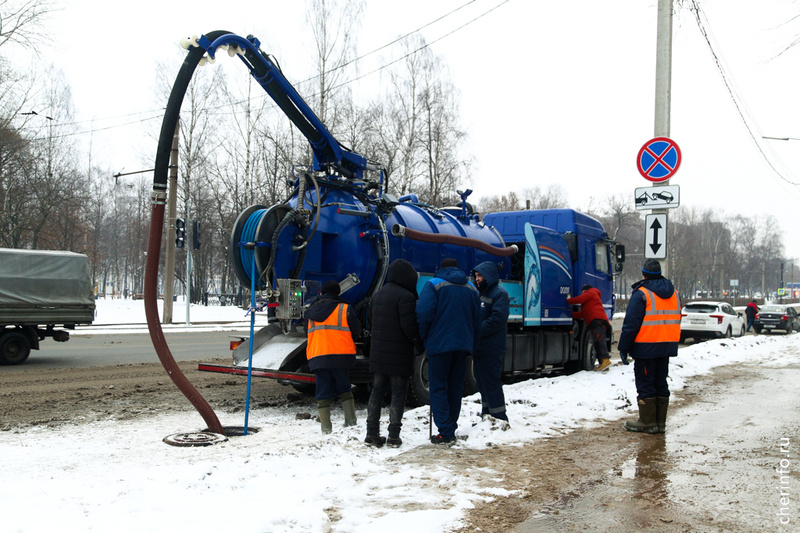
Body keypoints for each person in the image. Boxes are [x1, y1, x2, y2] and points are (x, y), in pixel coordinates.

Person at [416, 258, 482, 444]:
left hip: (439, 345)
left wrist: (426, 338)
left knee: (437, 387)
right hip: (462, 346)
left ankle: (445, 431)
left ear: (441, 269)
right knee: (455, 387)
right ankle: (450, 426)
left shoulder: (433, 285)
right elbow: (478, 320)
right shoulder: (472, 288)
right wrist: (472, 343)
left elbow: (423, 313)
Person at [364, 259, 425, 448]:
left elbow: (371, 321)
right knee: (398, 394)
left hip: (379, 355)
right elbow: (409, 326)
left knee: (377, 393)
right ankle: (393, 436)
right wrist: (419, 343)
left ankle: (371, 434)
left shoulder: (378, 295)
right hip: (399, 355)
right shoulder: (406, 297)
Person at [617, 259, 681, 434]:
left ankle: (647, 421)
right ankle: (660, 423)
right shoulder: (674, 293)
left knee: (646, 383)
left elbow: (631, 324)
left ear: (644, 274)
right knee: (661, 382)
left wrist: (624, 348)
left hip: (646, 347)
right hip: (666, 345)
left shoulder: (642, 294)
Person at [305, 280, 361, 434]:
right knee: (344, 387)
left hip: (318, 355)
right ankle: (351, 421)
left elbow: (307, 333)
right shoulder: (344, 308)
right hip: (341, 355)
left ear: (322, 293)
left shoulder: (310, 312)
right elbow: (356, 330)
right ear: (338, 293)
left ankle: (326, 428)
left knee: (322, 390)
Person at [472, 261, 510, 422]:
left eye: (480, 275)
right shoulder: (479, 294)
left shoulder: (499, 294)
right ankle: (487, 416)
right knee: (481, 383)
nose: (477, 279)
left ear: (488, 276)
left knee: (491, 383)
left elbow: (497, 319)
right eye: (476, 276)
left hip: (491, 348)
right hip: (479, 348)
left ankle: (499, 417)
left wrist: (476, 330)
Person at [566, 284, 612, 371]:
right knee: (596, 341)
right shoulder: (590, 300)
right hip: (597, 320)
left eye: (582, 292)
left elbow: (579, 299)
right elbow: (583, 314)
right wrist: (569, 314)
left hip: (597, 320)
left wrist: (568, 300)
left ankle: (605, 360)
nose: (582, 294)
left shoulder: (591, 292)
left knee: (599, 340)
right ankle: (603, 364)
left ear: (585, 290)